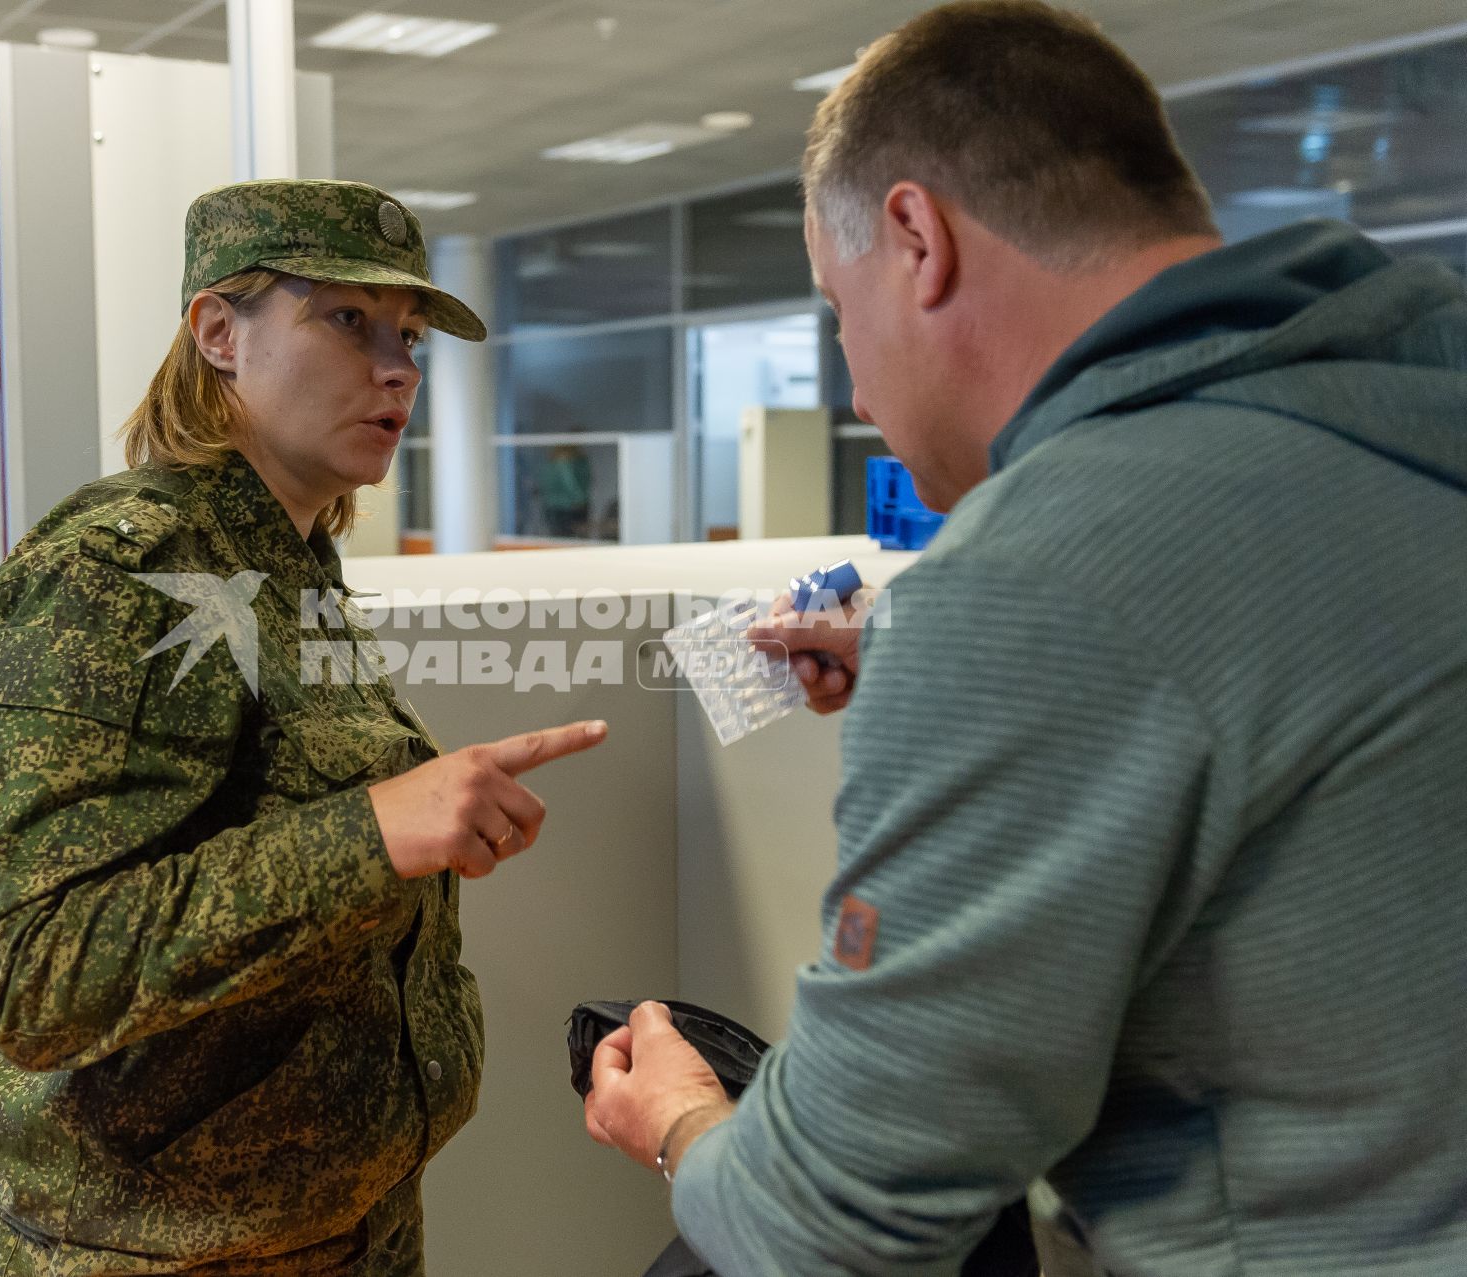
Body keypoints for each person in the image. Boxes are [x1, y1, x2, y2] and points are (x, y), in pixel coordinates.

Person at [582, 3, 1467, 1275]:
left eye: (839, 310)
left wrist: (676, 1120)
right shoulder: (1406, 414)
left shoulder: (1034, 576)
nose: (852, 388)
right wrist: (933, 671)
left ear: (916, 238)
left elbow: (831, 1227)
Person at [0, 179, 607, 1277]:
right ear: (219, 332)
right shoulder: (122, 572)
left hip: (335, 1229)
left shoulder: (281, 562)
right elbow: (31, 972)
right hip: (153, 1252)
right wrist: (372, 833)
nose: (397, 367)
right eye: (347, 320)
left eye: (406, 335)